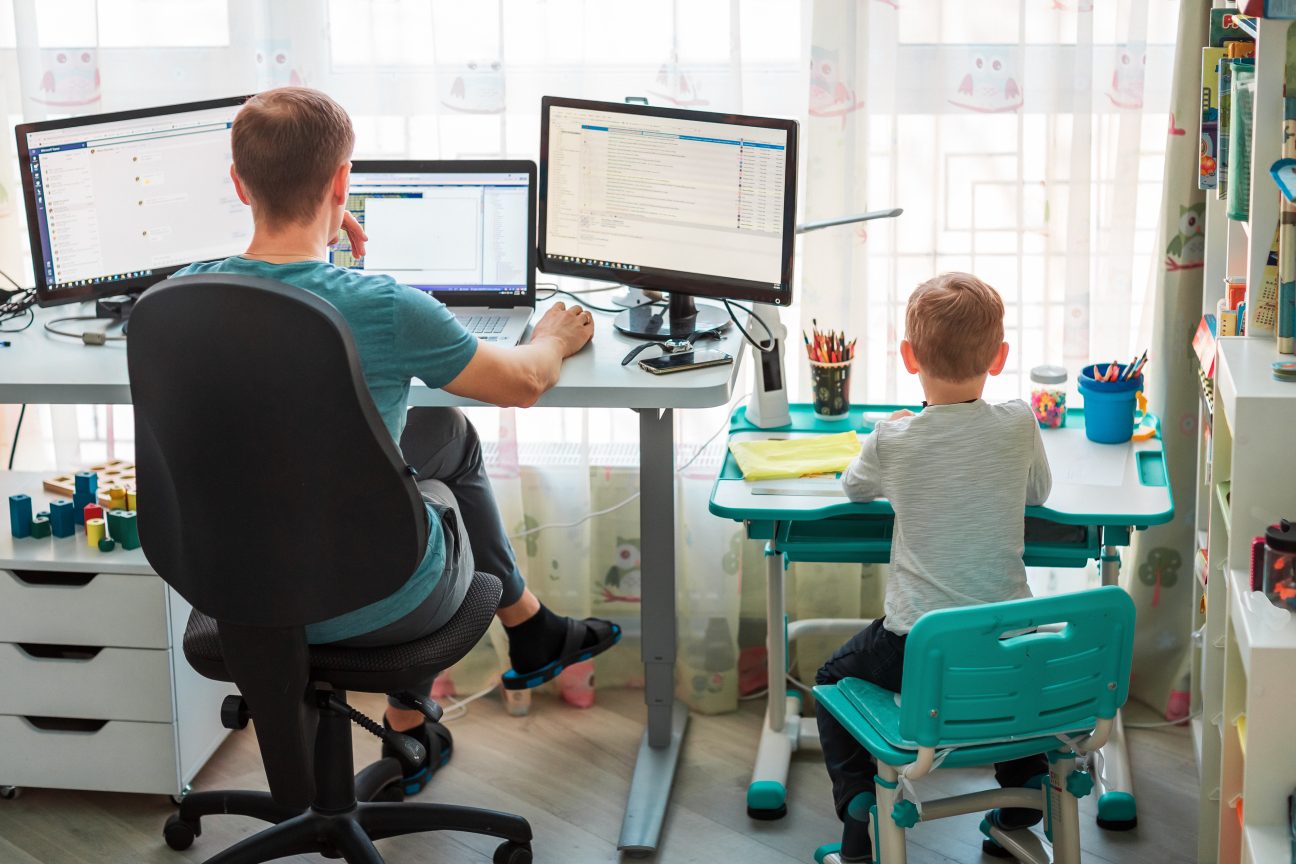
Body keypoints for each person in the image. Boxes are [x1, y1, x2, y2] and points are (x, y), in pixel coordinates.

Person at [175, 87, 620, 794]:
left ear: (238, 184)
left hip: (239, 597)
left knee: (442, 433)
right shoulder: (381, 306)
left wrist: (316, 250)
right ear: (341, 182)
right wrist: (554, 336)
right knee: (430, 488)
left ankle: (434, 710)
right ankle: (511, 636)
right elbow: (524, 384)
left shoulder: (179, 301)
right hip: (375, 601)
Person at [814, 273, 1053, 863]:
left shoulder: (893, 437)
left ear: (908, 356)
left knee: (829, 679)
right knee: (1009, 684)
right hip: (1007, 651)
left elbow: (853, 488)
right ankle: (1022, 805)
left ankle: (858, 805)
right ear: (999, 358)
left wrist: (892, 431)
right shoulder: (1020, 421)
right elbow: (1039, 493)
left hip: (915, 650)